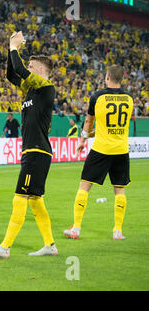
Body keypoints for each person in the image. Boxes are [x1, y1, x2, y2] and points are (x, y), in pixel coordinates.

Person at [0, 31, 57, 259]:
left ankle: (5, 247)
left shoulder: (46, 87)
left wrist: (15, 47)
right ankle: (50, 245)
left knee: (20, 197)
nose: (28, 69)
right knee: (35, 200)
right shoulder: (31, 90)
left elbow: (20, 70)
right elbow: (11, 74)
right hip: (34, 151)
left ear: (41, 70)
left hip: (37, 151)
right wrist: (9, 47)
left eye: (32, 66)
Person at [64, 65, 133, 240]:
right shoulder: (129, 98)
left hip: (101, 149)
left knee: (84, 186)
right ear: (122, 79)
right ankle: (118, 231)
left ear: (107, 76)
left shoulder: (98, 96)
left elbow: (89, 122)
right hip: (121, 149)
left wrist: (82, 140)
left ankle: (76, 228)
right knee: (120, 190)